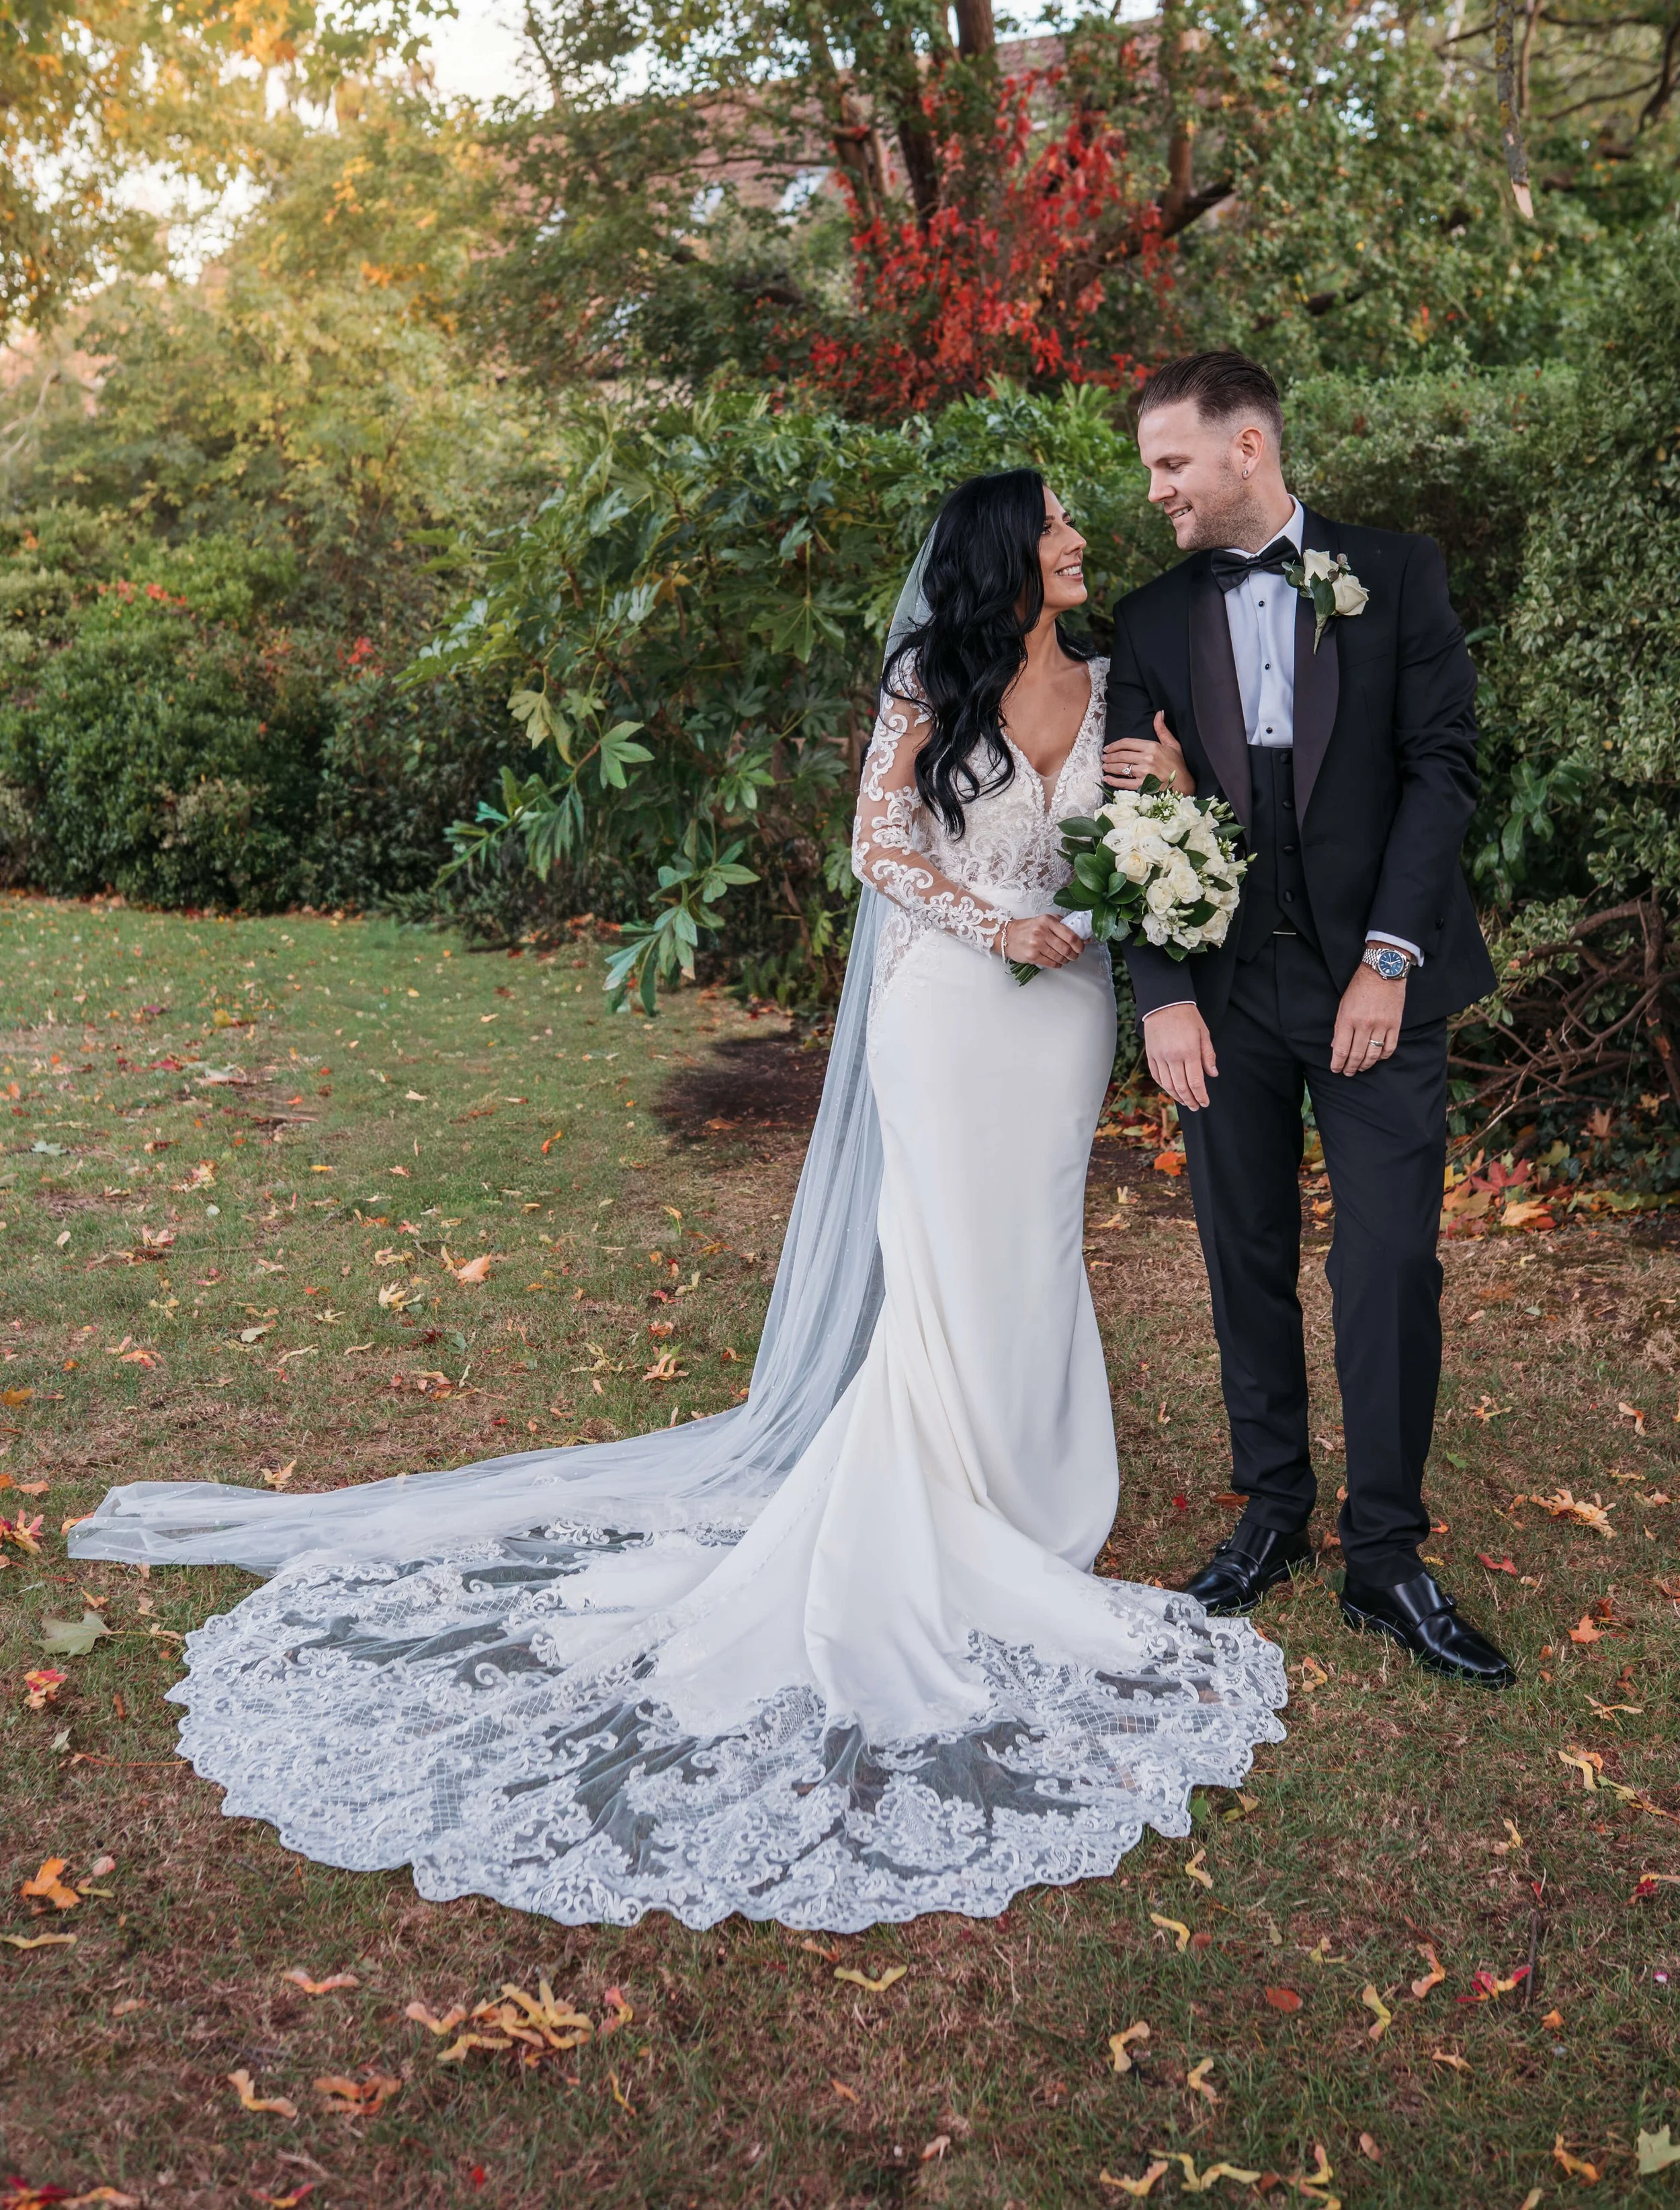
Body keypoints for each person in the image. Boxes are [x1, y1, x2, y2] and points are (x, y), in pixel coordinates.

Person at [69, 466, 1286, 1932]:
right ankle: (938, 1501)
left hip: (1063, 1013)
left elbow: (1145, 843)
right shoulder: (927, 680)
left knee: (1029, 1247)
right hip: (950, 1006)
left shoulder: (1103, 687)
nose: (1081, 538)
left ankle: (1035, 1490)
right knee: (943, 1252)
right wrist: (991, 921)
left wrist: (1152, 811)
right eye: (1057, 525)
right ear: (1001, 554)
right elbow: (876, 849)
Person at [1101, 349, 1511, 1688]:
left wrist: (1388, 961)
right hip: (1225, 995)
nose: (1154, 488)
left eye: (1171, 463)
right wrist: (1159, 993)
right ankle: (1269, 1508)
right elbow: (1129, 814)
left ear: (1248, 450)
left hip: (1374, 986)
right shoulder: (1149, 616)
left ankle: (1384, 1553)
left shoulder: (1393, 574)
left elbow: (1439, 768)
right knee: (1243, 1253)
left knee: (1386, 1261)